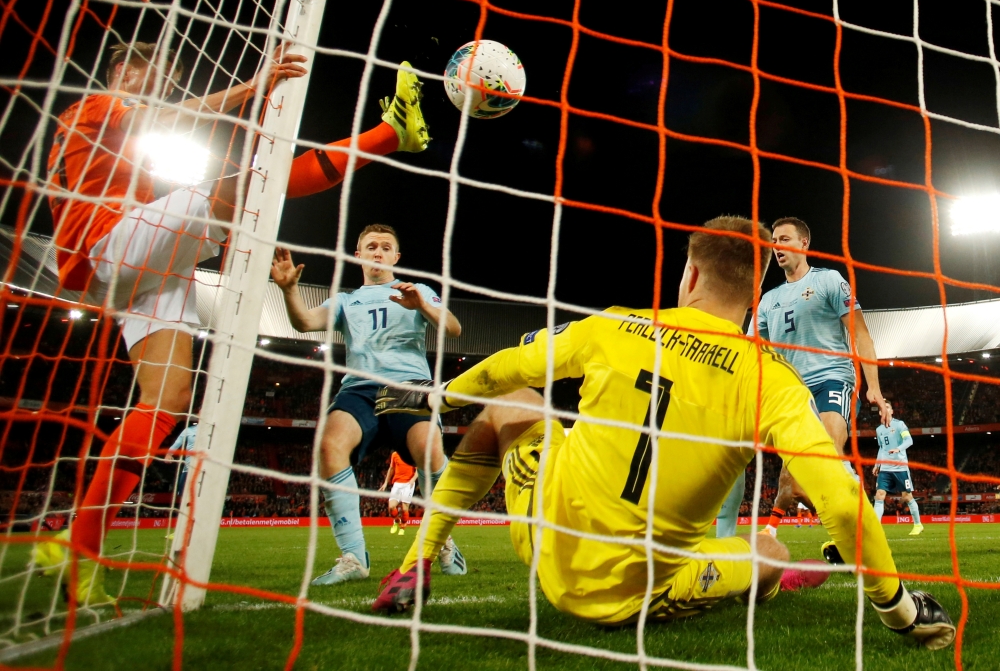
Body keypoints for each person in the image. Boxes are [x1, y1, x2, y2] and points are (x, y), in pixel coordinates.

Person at [370, 216, 954, 652]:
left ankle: (417, 562)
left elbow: (502, 371)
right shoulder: (768, 379)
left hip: (545, 538)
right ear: (756, 299)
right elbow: (846, 506)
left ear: (691, 272)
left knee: (512, 404)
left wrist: (437, 396)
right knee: (771, 550)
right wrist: (899, 611)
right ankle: (760, 572)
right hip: (639, 593)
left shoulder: (618, 323)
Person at [32, 38, 430, 606]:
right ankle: (391, 134)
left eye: (168, 75)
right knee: (247, 189)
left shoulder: (118, 139)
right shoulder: (96, 104)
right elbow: (167, 113)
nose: (162, 83)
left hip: (131, 263)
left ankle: (77, 544)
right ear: (121, 66)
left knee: (164, 402)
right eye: (153, 70)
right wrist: (253, 86)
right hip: (109, 242)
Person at [271, 225, 466, 585]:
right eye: (371, 246)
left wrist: (422, 304)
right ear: (358, 255)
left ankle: (442, 540)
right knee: (329, 446)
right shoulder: (346, 300)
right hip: (360, 387)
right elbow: (304, 323)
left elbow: (453, 328)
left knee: (429, 449)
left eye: (386, 247)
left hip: (409, 386)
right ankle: (354, 558)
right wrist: (289, 291)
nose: (378, 251)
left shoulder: (417, 291)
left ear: (396, 257)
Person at [743, 217, 892, 538]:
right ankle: (781, 532)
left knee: (827, 456)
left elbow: (862, 335)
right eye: (774, 241)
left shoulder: (829, 281)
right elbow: (749, 351)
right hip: (793, 393)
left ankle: (857, 538)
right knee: (790, 478)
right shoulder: (767, 301)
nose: (776, 246)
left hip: (832, 379)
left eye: (784, 239)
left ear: (803, 244)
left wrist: (874, 388)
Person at [872, 417, 923, 536]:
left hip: (900, 468)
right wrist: (877, 464)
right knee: (879, 495)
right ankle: (876, 528)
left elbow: (909, 440)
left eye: (887, 407)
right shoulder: (879, 429)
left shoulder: (900, 424)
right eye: (881, 409)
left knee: (907, 496)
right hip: (885, 468)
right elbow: (881, 448)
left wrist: (898, 449)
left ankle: (918, 524)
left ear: (891, 411)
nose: (884, 410)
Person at [380, 451, 417, 535]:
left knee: (404, 509)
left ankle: (403, 527)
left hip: (408, 484)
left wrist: (413, 479)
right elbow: (391, 468)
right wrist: (385, 483)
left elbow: (418, 470)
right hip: (397, 483)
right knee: (391, 507)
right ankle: (397, 521)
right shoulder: (395, 454)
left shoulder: (412, 453)